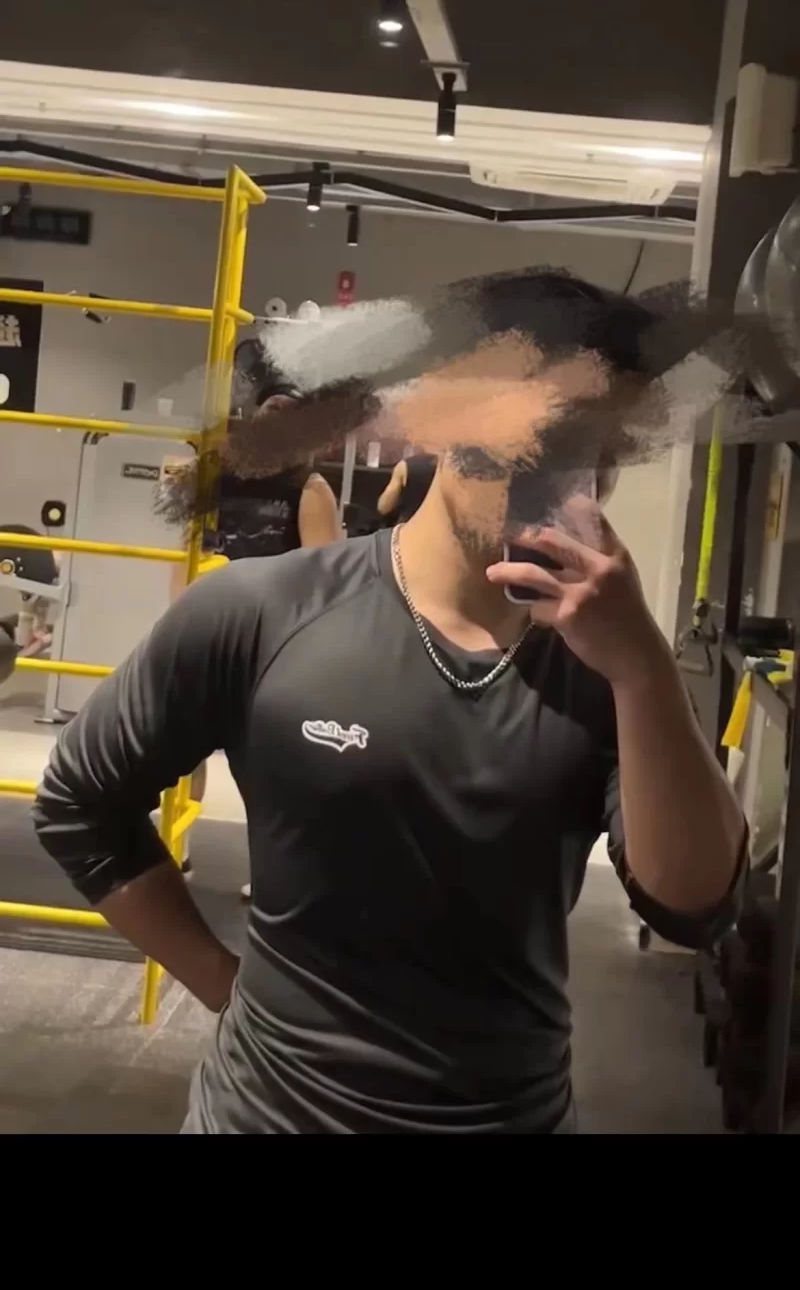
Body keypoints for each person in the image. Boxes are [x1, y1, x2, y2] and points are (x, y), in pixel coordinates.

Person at [33, 267, 747, 1136]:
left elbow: (695, 904)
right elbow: (80, 802)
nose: (570, 477)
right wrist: (223, 983)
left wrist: (643, 670)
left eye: (595, 448)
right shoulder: (265, 610)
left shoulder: (609, 660)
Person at [165, 382, 341, 891]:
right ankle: (177, 848)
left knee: (269, 763)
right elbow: (188, 553)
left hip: (272, 639)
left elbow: (323, 575)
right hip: (210, 627)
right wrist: (177, 619)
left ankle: (271, 872)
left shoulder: (308, 488)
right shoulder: (214, 480)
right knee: (185, 749)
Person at [377, 452, 437, 524]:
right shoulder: (445, 468)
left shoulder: (404, 466)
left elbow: (384, 507)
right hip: (438, 526)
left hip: (408, 525)